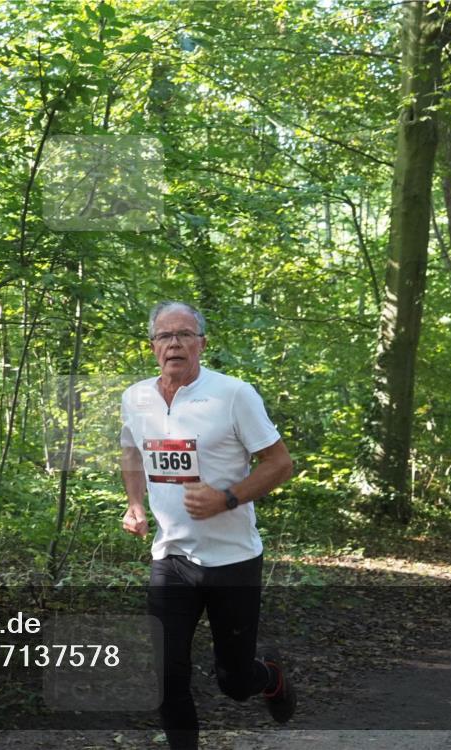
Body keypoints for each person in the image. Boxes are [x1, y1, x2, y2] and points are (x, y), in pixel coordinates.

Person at [119, 301, 296, 750]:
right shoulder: (135, 398)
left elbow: (280, 463)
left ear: (202, 343)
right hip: (172, 558)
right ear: (152, 345)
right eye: (164, 335)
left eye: (184, 334)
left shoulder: (233, 394)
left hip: (233, 560)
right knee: (165, 674)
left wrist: (226, 498)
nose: (174, 343)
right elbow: (132, 452)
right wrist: (135, 504)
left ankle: (269, 677)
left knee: (234, 682)